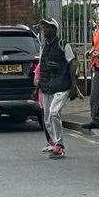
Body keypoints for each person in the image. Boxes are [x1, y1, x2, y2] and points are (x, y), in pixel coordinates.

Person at [34, 20, 77, 158]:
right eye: (43, 28)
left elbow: (72, 63)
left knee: (53, 113)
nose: (44, 30)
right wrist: (38, 87)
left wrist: (74, 85)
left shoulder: (63, 44)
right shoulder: (44, 46)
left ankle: (60, 145)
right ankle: (53, 142)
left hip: (61, 85)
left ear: (54, 29)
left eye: (46, 27)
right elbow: (42, 67)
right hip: (47, 86)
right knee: (47, 118)